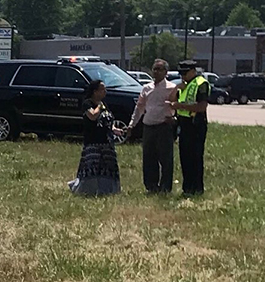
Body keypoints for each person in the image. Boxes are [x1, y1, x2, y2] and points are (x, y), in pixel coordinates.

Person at [128, 59, 178, 193]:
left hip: (163, 127)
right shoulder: (146, 88)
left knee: (166, 159)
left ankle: (165, 187)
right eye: (154, 69)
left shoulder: (172, 88)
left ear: (166, 72)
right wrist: (132, 124)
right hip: (148, 126)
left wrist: (174, 118)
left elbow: (177, 106)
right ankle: (151, 186)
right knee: (149, 158)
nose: (156, 72)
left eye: (159, 69)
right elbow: (139, 108)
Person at [69, 80, 124, 197]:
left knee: (108, 167)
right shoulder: (87, 104)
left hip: (107, 143)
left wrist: (114, 129)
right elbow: (92, 116)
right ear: (95, 92)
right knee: (92, 167)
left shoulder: (104, 104)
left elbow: (108, 121)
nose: (105, 91)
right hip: (93, 142)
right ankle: (87, 190)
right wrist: (99, 106)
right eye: (102, 89)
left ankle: (108, 190)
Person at [174, 60, 210, 196]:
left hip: (196, 124)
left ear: (193, 71)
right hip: (184, 123)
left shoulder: (201, 84)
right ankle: (187, 188)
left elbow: (202, 106)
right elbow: (174, 98)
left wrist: (180, 106)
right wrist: (177, 88)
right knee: (185, 157)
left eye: (185, 73)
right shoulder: (185, 85)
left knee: (195, 157)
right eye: (181, 73)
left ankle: (197, 188)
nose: (183, 76)